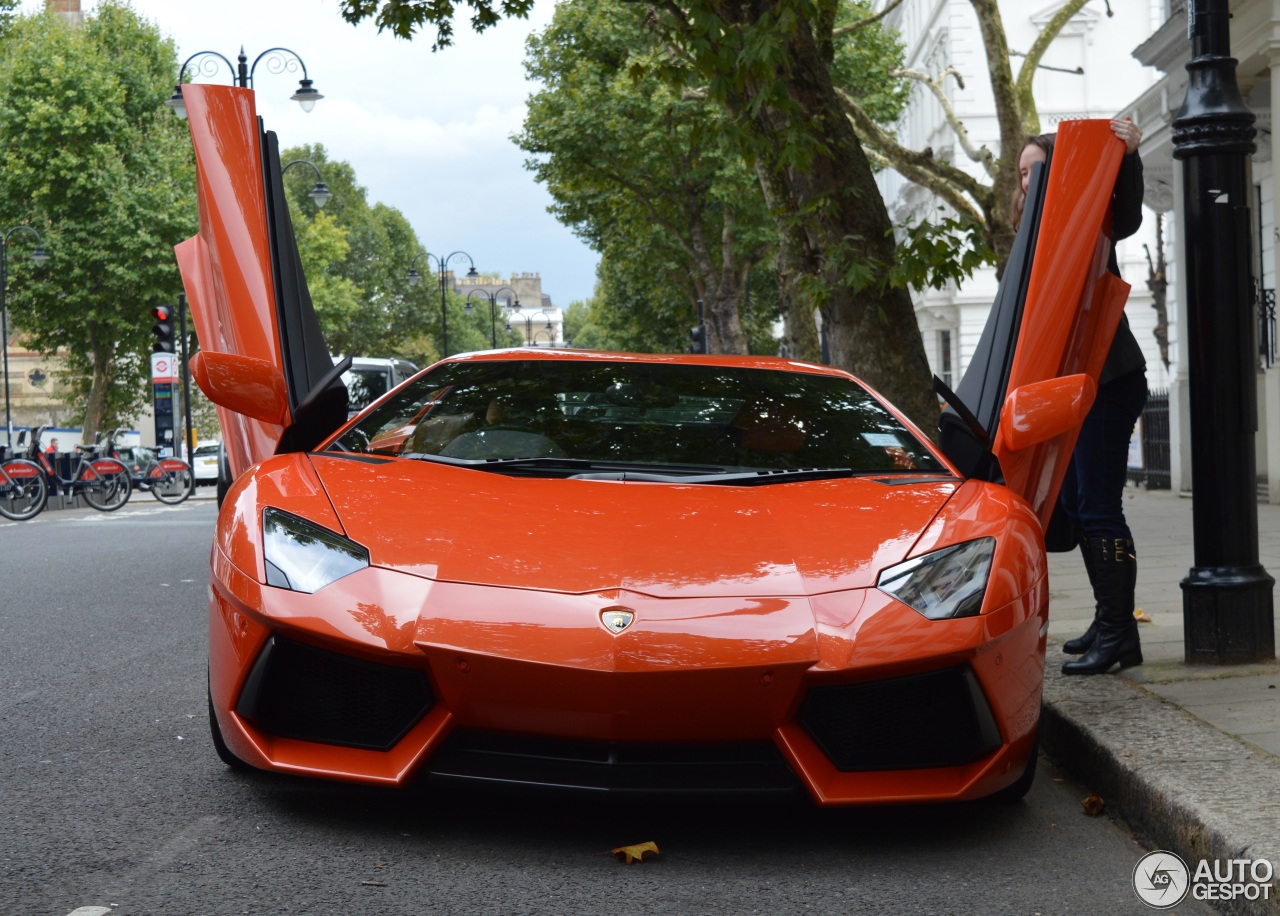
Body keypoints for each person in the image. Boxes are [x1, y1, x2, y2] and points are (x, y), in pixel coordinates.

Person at [1014, 117, 1148, 676]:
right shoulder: (1034, 233)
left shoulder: (1082, 221)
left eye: (1034, 171)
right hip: (1071, 389)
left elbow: (1127, 216)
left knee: (1097, 507)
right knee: (1072, 506)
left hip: (1108, 381)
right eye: (1020, 174)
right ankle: (1108, 621)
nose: (1025, 183)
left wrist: (1131, 157)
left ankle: (1119, 632)